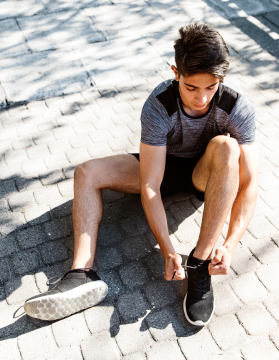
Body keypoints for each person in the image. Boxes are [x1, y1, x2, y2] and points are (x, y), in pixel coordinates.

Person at [24, 22, 258, 326]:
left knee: (228, 148)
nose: (201, 99)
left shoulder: (237, 107)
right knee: (85, 173)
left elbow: (249, 182)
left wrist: (230, 244)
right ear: (176, 73)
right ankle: (81, 274)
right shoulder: (159, 104)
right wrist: (167, 249)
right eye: (191, 87)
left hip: (206, 173)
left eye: (210, 88)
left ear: (221, 79)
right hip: (162, 168)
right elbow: (150, 184)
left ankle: (199, 263)